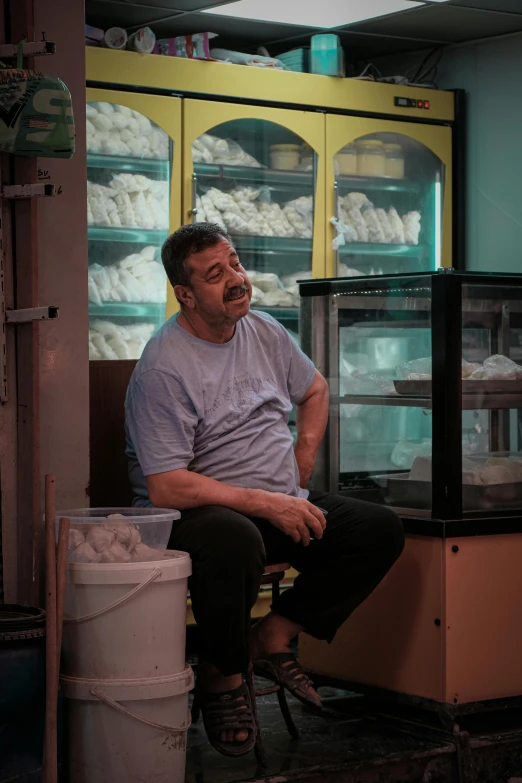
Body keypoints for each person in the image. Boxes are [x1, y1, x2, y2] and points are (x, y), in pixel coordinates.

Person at [125, 222, 404, 758]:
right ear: (185, 295)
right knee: (234, 540)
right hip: (201, 516)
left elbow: (315, 388)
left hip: (277, 504)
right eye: (215, 274)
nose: (235, 279)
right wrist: (265, 501)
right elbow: (165, 487)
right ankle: (222, 674)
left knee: (377, 528)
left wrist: (302, 462)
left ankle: (270, 637)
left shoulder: (265, 331)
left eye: (234, 264)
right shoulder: (164, 367)